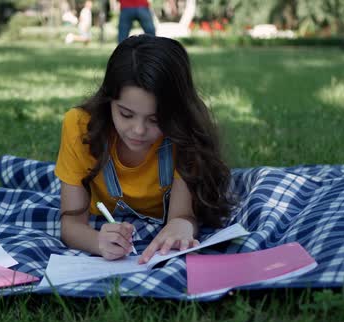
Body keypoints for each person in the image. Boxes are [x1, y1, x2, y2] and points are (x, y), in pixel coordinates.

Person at [55, 35, 236, 263]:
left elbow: (182, 216)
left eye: (155, 119)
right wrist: (97, 242)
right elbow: (70, 225)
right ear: (108, 99)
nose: (138, 130)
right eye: (126, 114)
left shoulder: (184, 134)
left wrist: (181, 226)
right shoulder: (80, 127)